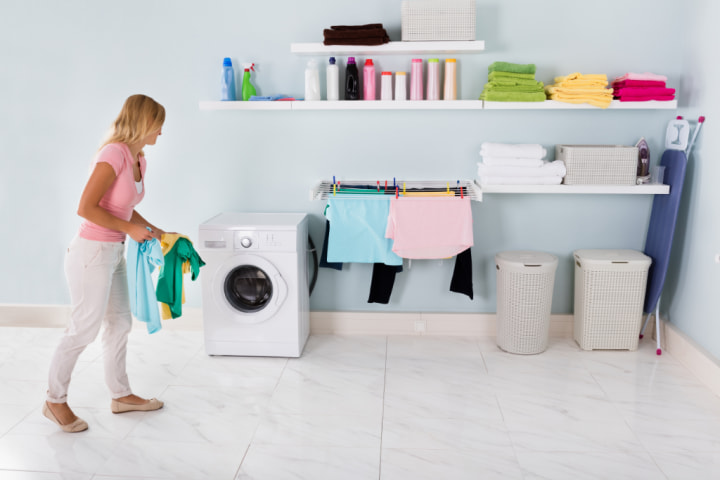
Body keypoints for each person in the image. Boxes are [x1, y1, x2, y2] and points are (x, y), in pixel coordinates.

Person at [44, 94, 167, 432]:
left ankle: (121, 395)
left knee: (120, 324)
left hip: (114, 253)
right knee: (83, 328)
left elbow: (122, 206)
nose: (161, 131)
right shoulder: (113, 153)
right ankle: (54, 400)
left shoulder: (139, 157)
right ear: (144, 122)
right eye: (159, 123)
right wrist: (130, 228)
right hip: (91, 253)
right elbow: (86, 207)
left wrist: (155, 231)